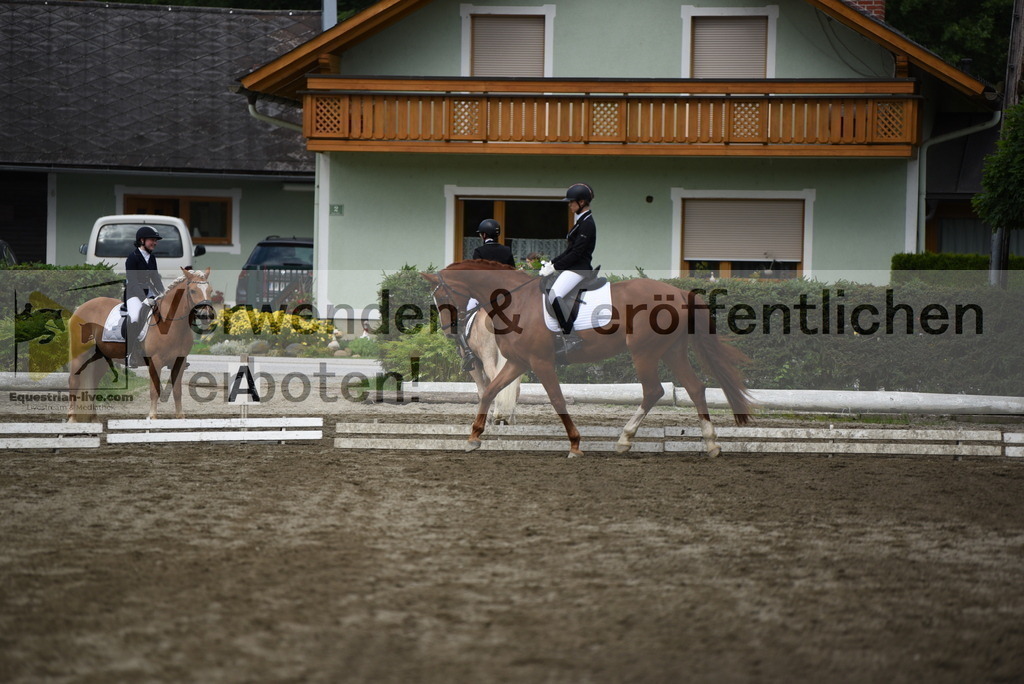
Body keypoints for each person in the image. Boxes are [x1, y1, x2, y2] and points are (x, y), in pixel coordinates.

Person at [539, 183, 597, 356]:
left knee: (554, 294)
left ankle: (571, 337)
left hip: (580, 269)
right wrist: (551, 263)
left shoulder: (588, 224)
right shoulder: (581, 222)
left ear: (581, 202)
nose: (569, 205)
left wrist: (556, 267)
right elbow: (569, 251)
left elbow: (578, 253)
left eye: (572, 202)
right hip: (573, 268)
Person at [458, 219, 515, 371]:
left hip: (483, 297)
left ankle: (467, 352)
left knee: (462, 317)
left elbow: (475, 277)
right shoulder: (506, 251)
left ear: (483, 235)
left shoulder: (479, 251)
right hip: (504, 297)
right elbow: (512, 274)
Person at [124, 225, 165, 367]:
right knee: (135, 318)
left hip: (150, 292)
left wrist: (163, 293)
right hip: (134, 294)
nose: (155, 243)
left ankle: (169, 352)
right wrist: (144, 299)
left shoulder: (152, 258)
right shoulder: (132, 258)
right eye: (152, 240)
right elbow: (133, 282)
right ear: (142, 240)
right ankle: (130, 354)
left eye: (156, 240)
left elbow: (156, 278)